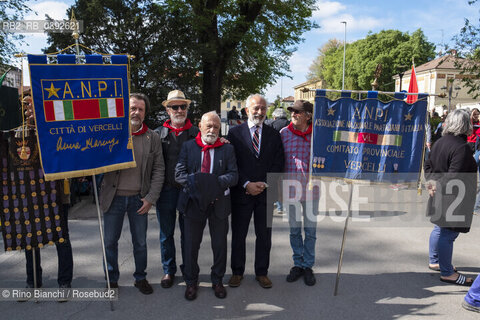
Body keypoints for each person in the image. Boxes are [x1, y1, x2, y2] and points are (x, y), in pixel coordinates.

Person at [100, 93, 164, 294]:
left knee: (140, 243)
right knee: (110, 242)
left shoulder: (152, 137)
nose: (136, 112)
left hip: (139, 198)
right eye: (132, 108)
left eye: (140, 109)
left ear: (145, 113)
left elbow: (159, 169)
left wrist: (151, 198)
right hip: (113, 197)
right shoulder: (111, 133)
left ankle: (140, 278)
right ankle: (112, 279)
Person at [175, 111, 238, 300]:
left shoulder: (227, 149)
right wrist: (199, 185)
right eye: (208, 126)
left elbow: (233, 175)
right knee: (191, 245)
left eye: (216, 127)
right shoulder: (188, 147)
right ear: (200, 126)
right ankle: (191, 281)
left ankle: (217, 280)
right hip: (193, 204)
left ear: (220, 129)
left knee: (219, 245)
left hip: (218, 204)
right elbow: (179, 174)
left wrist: (212, 185)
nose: (212, 129)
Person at [227, 94, 284, 289]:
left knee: (264, 236)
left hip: (265, 194)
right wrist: (246, 184)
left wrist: (264, 184)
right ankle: (237, 271)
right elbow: (231, 163)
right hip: (241, 193)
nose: (259, 112)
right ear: (247, 110)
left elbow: (278, 163)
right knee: (239, 235)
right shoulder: (234, 134)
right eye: (255, 108)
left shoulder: (274, 134)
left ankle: (262, 272)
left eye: (262, 108)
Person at [20, 92, 73, 300]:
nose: (29, 109)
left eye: (32, 104)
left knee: (62, 238)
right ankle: (33, 282)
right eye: (26, 106)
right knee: (30, 238)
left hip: (57, 192)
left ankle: (65, 282)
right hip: (29, 194)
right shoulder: (21, 133)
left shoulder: (56, 128)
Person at [425, 109, 476, 286]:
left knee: (439, 229)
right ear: (465, 125)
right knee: (448, 234)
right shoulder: (461, 147)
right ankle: (447, 272)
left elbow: (428, 165)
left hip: (441, 193)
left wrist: (432, 183)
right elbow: (455, 175)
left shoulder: (440, 142)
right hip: (453, 197)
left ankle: (435, 260)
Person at [154, 90, 199, 289]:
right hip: (165, 191)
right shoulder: (157, 134)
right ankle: (168, 270)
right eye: (174, 107)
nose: (179, 110)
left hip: (189, 190)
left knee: (188, 234)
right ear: (167, 109)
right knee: (166, 234)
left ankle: (189, 270)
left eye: (183, 106)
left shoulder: (197, 133)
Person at [280, 100, 318, 286]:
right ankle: (298, 263)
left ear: (308, 115)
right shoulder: (283, 134)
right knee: (295, 231)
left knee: (310, 231)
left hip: (312, 191)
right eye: (292, 111)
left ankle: (308, 266)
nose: (293, 114)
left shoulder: (318, 136)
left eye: (297, 112)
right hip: (291, 191)